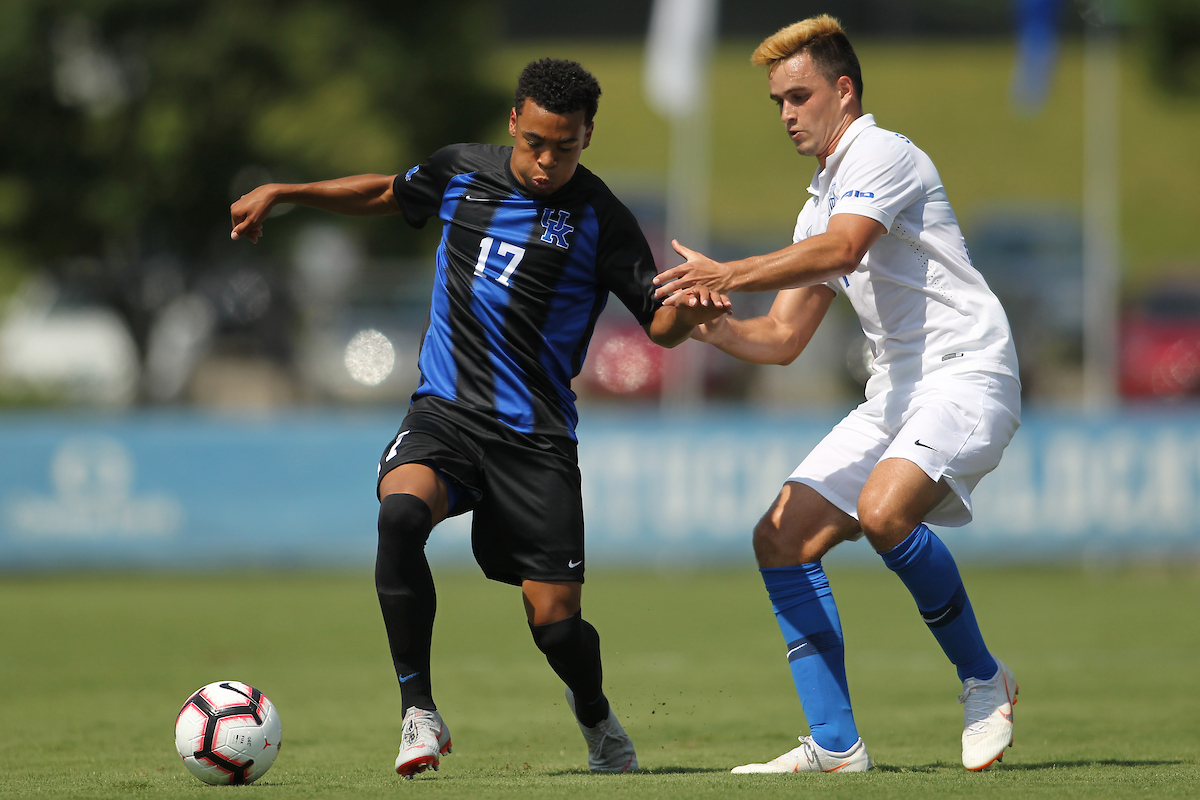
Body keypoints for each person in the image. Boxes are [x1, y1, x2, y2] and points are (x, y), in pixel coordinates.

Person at [229, 58, 728, 778]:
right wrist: (290, 193)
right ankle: (418, 714)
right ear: (513, 123)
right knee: (399, 516)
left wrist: (697, 303)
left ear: (588, 134)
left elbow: (659, 324)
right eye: (534, 143)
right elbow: (387, 191)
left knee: (556, 627)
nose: (546, 160)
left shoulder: (601, 219)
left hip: (536, 441)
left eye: (565, 145)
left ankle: (596, 718)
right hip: (447, 414)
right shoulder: (462, 172)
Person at [654, 16, 1021, 773]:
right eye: (777, 102)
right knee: (781, 537)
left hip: (967, 372)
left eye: (799, 95)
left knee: (886, 511)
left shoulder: (880, 153)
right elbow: (782, 341)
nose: (787, 113)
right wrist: (706, 329)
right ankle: (834, 744)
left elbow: (846, 248)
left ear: (843, 91)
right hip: (898, 394)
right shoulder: (819, 198)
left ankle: (985, 678)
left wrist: (728, 270)